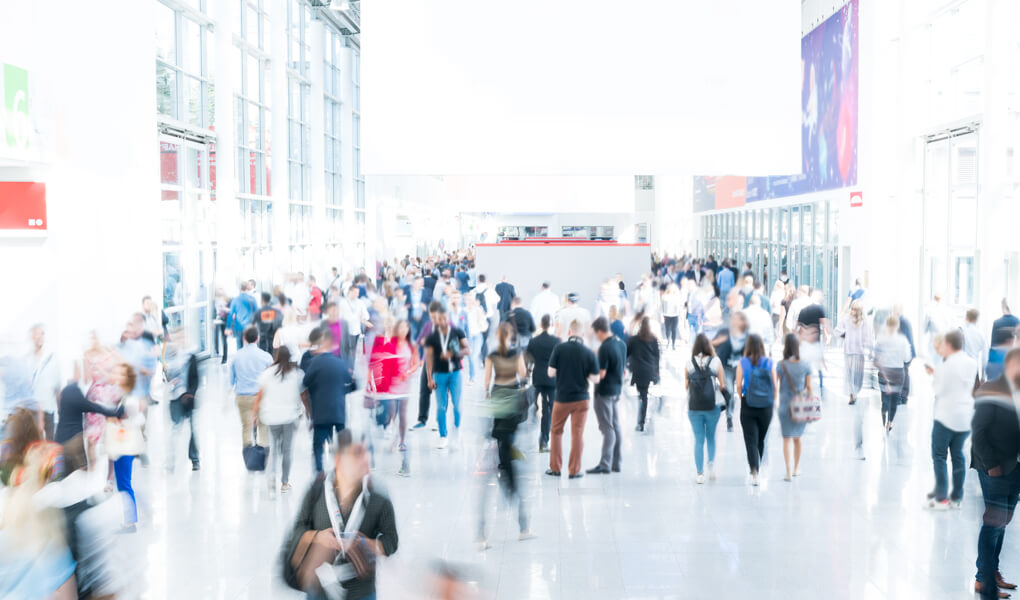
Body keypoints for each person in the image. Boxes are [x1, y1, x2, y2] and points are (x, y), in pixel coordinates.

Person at [281, 430, 398, 600]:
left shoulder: (378, 498)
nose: (365, 459)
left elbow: (392, 541)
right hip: (319, 589)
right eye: (357, 454)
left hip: (361, 590)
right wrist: (317, 537)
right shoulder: (317, 492)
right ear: (338, 460)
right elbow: (298, 528)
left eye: (366, 452)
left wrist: (367, 544)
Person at [971, 348, 1020, 599]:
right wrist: (992, 467)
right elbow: (978, 434)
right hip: (993, 467)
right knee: (993, 522)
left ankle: (993, 571)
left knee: (1003, 521)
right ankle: (984, 578)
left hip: (1015, 466)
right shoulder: (992, 390)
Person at [479, 322, 532, 545]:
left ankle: (505, 460)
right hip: (511, 396)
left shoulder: (491, 355)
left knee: (500, 436)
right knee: (506, 438)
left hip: (498, 395)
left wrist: (489, 395)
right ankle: (509, 479)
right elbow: (522, 375)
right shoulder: (517, 353)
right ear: (511, 337)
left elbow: (487, 382)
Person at [921, 329, 977, 510]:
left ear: (949, 344)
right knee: (958, 456)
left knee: (939, 456)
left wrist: (934, 376)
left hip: (946, 417)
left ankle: (942, 498)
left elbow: (939, 390)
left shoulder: (946, 367)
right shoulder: (972, 363)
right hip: (965, 417)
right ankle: (957, 498)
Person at [546, 320, 599, 479]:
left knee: (556, 432)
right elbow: (595, 379)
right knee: (577, 434)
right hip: (581, 400)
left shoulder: (559, 348)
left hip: (562, 398)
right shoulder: (588, 352)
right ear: (582, 335)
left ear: (569, 333)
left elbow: (550, 373)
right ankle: (574, 470)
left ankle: (555, 468)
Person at [302, 327, 356, 474]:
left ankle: (320, 471)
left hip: (321, 412)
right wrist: (341, 391)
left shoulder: (315, 363)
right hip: (338, 410)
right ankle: (341, 468)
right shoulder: (340, 363)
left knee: (318, 445)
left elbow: (305, 382)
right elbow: (352, 383)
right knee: (341, 442)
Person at [253, 346, 304, 495]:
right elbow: (301, 395)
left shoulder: (267, 374)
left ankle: (271, 482)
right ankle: (285, 482)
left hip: (271, 417)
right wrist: (303, 412)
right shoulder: (296, 374)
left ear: (276, 356)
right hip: (289, 417)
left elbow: (260, 395)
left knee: (273, 450)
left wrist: (254, 415)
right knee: (287, 451)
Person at [108, 363, 146, 532]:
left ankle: (130, 523)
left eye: (121, 375)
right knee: (123, 483)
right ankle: (130, 519)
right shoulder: (122, 397)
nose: (117, 377)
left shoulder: (129, 400)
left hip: (124, 445)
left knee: (124, 483)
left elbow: (138, 420)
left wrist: (123, 421)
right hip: (122, 444)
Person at [425, 306, 470, 449]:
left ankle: (457, 431)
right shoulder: (432, 337)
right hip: (439, 375)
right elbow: (429, 359)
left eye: (445, 318)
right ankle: (443, 435)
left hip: (455, 373)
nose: (443, 321)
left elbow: (468, 350)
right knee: (440, 406)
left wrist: (454, 354)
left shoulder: (457, 332)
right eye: (440, 319)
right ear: (436, 320)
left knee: (457, 405)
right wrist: (429, 378)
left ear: (448, 318)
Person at [684, 334, 726, 483]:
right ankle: (711, 465)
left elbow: (686, 387)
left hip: (694, 407)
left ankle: (700, 474)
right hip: (712, 406)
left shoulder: (689, 363)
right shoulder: (716, 362)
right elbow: (722, 385)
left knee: (699, 440)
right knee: (711, 437)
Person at [587, 317, 626, 475]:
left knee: (607, 428)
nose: (596, 337)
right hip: (616, 389)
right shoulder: (621, 343)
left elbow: (601, 374)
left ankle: (604, 464)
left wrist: (588, 373)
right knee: (615, 426)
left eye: (596, 334)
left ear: (600, 331)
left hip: (604, 392)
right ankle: (616, 463)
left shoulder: (605, 348)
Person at [734, 334, 775, 486]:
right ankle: (757, 464)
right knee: (760, 440)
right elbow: (774, 385)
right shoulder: (769, 362)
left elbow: (738, 385)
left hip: (748, 405)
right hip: (766, 407)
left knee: (750, 439)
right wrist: (772, 401)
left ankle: (754, 472)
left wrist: (742, 397)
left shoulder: (742, 363)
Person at [776, 334, 812, 481]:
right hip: (800, 406)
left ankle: (788, 470)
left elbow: (776, 385)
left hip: (785, 406)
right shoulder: (805, 365)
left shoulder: (781, 365)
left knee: (786, 438)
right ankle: (796, 468)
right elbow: (809, 387)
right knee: (798, 438)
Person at [230, 327, 273, 450]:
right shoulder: (266, 357)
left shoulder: (236, 357)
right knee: (263, 426)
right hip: (261, 397)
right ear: (258, 338)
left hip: (243, 397)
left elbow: (231, 381)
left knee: (246, 427)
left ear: (244, 338)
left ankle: (249, 457)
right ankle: (263, 453)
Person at [164, 332, 200, 471]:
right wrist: (170, 381)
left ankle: (195, 460)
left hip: (188, 398)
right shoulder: (170, 357)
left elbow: (195, 378)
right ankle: (171, 461)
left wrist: (191, 393)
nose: (180, 340)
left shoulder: (191, 357)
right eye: (178, 337)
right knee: (175, 429)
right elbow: (166, 376)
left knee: (192, 430)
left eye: (182, 337)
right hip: (174, 398)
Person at [526, 314, 560, 453]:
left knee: (533, 402)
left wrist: (528, 370)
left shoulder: (533, 341)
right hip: (551, 381)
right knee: (548, 410)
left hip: (537, 377)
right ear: (551, 325)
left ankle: (533, 411)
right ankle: (544, 441)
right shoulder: (557, 341)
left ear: (541, 325)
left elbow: (527, 359)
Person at [874, 316, 912, 433]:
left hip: (884, 372)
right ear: (897, 326)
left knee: (884, 396)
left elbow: (876, 357)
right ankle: (890, 422)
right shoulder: (903, 340)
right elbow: (907, 358)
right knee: (895, 399)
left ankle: (884, 412)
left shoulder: (880, 339)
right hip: (897, 373)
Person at [714, 311, 748, 432]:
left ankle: (731, 414)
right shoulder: (724, 332)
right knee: (729, 391)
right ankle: (729, 417)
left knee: (738, 389)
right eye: (734, 319)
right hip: (726, 367)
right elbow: (713, 345)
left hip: (740, 368)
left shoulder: (746, 335)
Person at [627, 316, 660, 433]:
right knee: (643, 394)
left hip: (638, 370)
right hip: (649, 371)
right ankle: (641, 420)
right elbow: (657, 357)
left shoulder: (635, 339)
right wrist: (657, 373)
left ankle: (640, 422)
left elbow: (627, 352)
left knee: (642, 394)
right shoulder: (653, 339)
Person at [29, 324, 61, 440]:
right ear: (32, 336)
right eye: (37, 333)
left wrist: (60, 412)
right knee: (33, 446)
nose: (39, 336)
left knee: (50, 447)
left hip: (49, 410)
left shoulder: (52, 360)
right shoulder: (27, 361)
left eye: (42, 333)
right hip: (32, 412)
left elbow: (57, 389)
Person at [340, 285, 372, 363]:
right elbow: (340, 317)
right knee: (345, 351)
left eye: (358, 293)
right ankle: (344, 368)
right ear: (349, 292)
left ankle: (351, 370)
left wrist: (362, 316)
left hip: (356, 331)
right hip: (345, 331)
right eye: (355, 292)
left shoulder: (360, 302)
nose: (357, 295)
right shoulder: (343, 302)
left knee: (353, 352)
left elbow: (367, 316)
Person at [226, 282, 257, 349]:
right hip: (249, 326)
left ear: (240, 288)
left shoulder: (235, 300)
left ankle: (240, 358)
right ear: (247, 288)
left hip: (238, 326)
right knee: (250, 346)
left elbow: (231, 314)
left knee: (239, 346)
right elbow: (256, 313)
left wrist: (228, 327)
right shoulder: (252, 299)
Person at [962, 308, 988, 383]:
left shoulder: (961, 331)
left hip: (961, 368)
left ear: (966, 318)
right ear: (976, 319)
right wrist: (983, 376)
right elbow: (984, 358)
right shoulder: (981, 335)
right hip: (974, 370)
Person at [661, 283, 682, 351]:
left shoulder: (677, 296)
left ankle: (673, 343)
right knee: (667, 330)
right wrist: (662, 314)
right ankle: (668, 340)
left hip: (675, 315)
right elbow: (662, 306)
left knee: (674, 329)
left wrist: (680, 314)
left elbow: (679, 306)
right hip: (667, 315)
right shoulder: (665, 296)